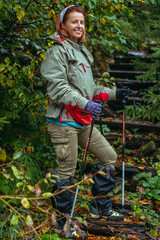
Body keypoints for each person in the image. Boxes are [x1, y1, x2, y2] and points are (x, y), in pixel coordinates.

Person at [41, 5, 130, 239]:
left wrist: (114, 94)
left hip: (81, 120)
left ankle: (99, 207)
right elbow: (58, 89)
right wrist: (85, 103)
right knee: (66, 173)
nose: (79, 26)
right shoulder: (56, 52)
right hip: (63, 120)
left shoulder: (81, 52)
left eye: (82, 22)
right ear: (62, 25)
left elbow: (90, 90)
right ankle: (62, 224)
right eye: (74, 22)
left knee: (109, 156)